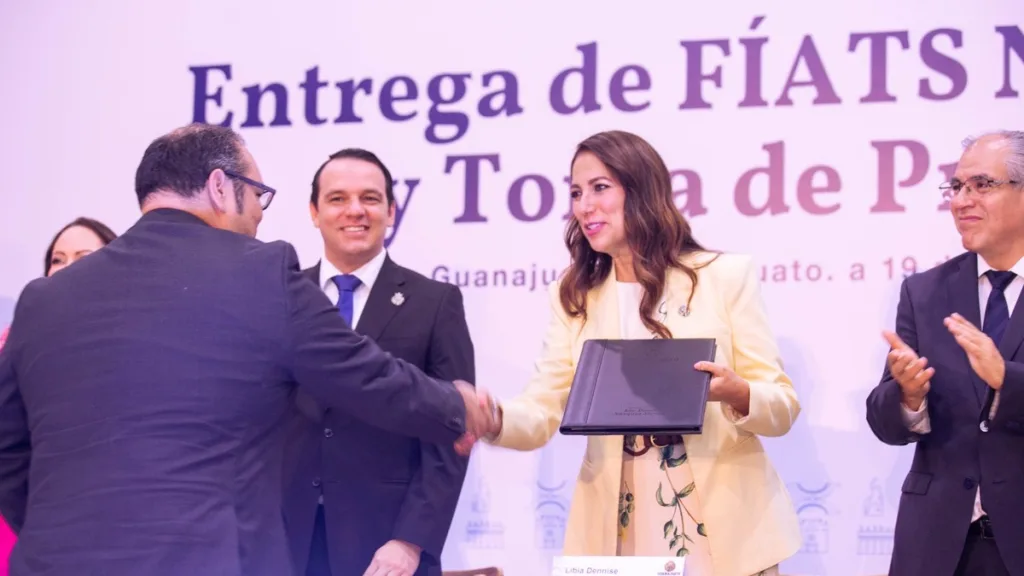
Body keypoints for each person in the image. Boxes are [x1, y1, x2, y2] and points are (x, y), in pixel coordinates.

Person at [0, 123, 494, 576]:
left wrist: (58, 536)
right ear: (220, 186)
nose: (258, 212)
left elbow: (7, 449)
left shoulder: (43, 300)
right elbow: (365, 374)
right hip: (209, 559)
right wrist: (459, 407)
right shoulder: (262, 273)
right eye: (257, 194)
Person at [479, 130, 801, 576]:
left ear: (643, 190)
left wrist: (738, 393)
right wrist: (493, 418)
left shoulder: (724, 276)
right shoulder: (575, 296)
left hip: (725, 534)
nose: (584, 206)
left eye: (600, 187)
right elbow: (542, 408)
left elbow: (782, 406)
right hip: (619, 533)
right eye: (576, 193)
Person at [283, 149, 475, 576]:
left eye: (370, 198)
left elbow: (452, 433)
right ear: (314, 212)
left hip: (386, 547)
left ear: (391, 211)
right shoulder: (283, 297)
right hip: (285, 542)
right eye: (337, 199)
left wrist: (411, 541)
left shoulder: (435, 302)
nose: (355, 210)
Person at [866, 130, 1024, 576]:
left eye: (982, 185)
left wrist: (1006, 378)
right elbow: (885, 423)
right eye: (956, 187)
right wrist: (908, 396)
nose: (961, 201)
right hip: (937, 545)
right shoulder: (924, 292)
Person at [0, 216, 118, 576]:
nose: (67, 269)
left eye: (84, 257)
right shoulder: (15, 344)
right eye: (58, 259)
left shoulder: (135, 346)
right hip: (37, 531)